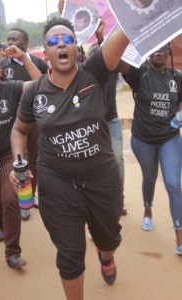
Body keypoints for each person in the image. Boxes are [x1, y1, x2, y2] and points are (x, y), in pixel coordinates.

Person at [10, 17, 129, 300]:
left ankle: (106, 256)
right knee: (70, 252)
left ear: (76, 47)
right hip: (57, 181)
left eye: (67, 39)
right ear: (46, 53)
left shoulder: (95, 73)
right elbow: (19, 129)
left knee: (109, 239)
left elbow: (125, 33)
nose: (61, 43)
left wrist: (137, 9)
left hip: (101, 176)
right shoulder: (35, 93)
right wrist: (18, 162)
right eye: (53, 41)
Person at [119, 44, 182, 255]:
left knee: (173, 184)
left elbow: (180, 101)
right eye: (153, 48)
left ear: (168, 53)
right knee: (150, 176)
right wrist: (105, 37)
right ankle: (148, 210)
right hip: (143, 140)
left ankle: (179, 238)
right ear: (148, 52)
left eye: (162, 48)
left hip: (169, 138)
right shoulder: (140, 74)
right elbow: (121, 62)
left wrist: (179, 116)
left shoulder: (176, 77)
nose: (157, 51)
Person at [0, 47, 41, 268]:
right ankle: (0, 227)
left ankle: (12, 252)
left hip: (9, 156)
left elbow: (42, 82)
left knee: (10, 198)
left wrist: (24, 57)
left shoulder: (12, 88)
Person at [0, 28, 48, 220]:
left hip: (35, 120)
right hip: (13, 123)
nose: (10, 42)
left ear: (25, 44)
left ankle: (31, 193)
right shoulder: (2, 65)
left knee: (34, 160)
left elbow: (47, 84)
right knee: (20, 161)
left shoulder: (37, 63)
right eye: (9, 38)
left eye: (15, 39)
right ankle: (23, 199)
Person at [87, 18, 127, 215]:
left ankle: (119, 197)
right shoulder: (84, 76)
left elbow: (111, 53)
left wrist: (102, 38)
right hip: (91, 127)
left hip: (111, 122)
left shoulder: (110, 71)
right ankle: (98, 201)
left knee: (117, 160)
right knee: (94, 165)